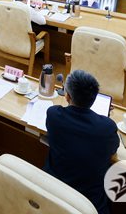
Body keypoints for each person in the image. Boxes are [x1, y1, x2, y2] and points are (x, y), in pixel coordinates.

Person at [44, 70, 118, 214]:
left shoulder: (53, 115)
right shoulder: (107, 127)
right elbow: (113, 148)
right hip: (88, 205)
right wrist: (104, 119)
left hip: (53, 194)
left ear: (67, 96)